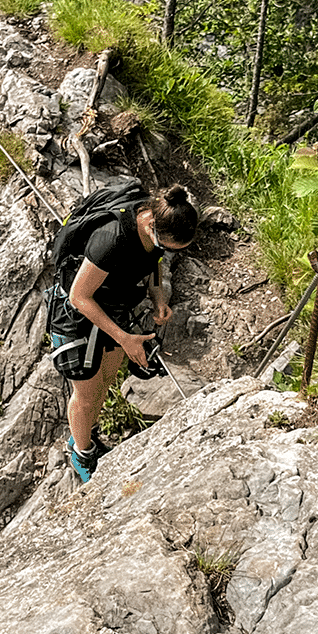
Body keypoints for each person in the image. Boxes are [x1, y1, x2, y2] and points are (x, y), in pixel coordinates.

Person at [59, 184, 198, 482]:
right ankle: (81, 453)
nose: (165, 251)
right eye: (166, 245)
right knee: (85, 393)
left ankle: (86, 434)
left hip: (114, 308)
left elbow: (154, 261)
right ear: (151, 225)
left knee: (106, 376)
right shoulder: (111, 240)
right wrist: (125, 338)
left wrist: (159, 297)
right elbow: (78, 296)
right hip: (81, 316)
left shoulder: (154, 231)